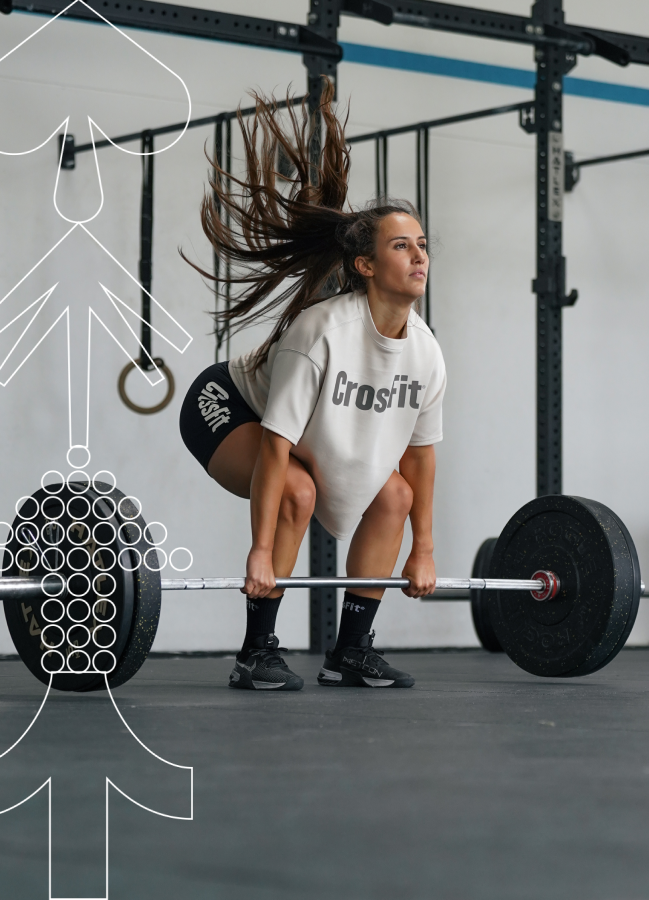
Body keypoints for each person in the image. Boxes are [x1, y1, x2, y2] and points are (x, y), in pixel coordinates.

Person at [179, 80, 446, 691]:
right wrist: (258, 553)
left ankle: (349, 652)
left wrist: (424, 549)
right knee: (296, 490)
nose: (419, 256)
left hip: (299, 434)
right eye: (401, 245)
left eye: (423, 245)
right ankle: (256, 651)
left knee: (395, 496)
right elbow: (276, 448)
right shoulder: (321, 332)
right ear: (365, 266)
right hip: (229, 404)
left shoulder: (426, 354)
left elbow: (420, 456)